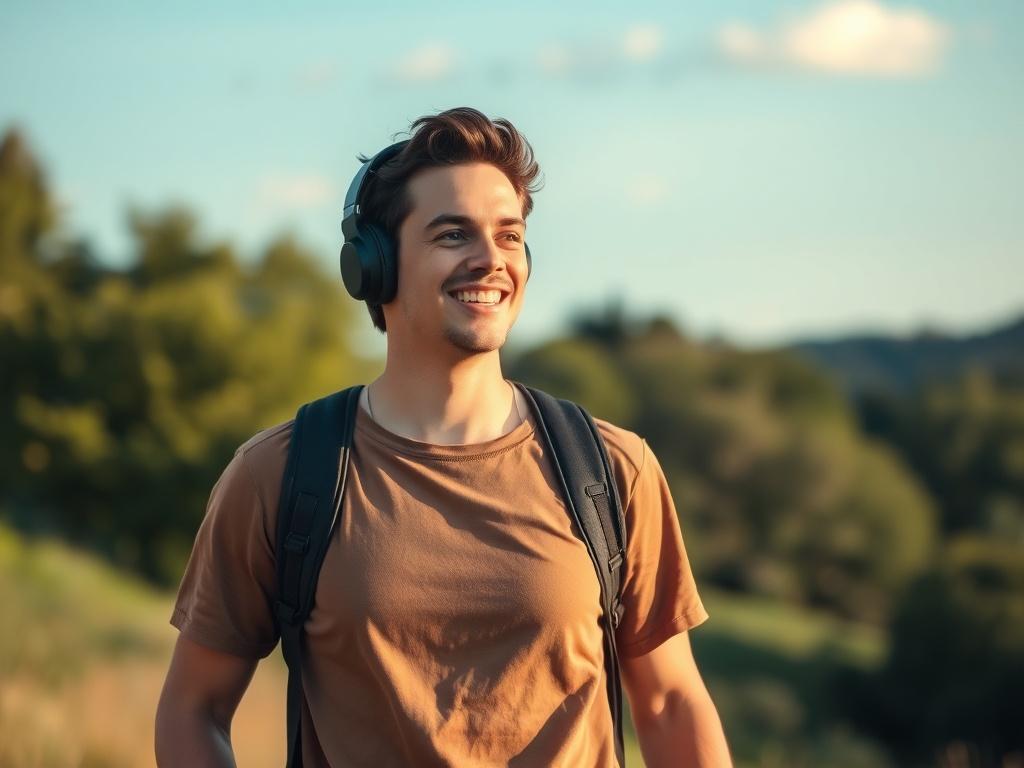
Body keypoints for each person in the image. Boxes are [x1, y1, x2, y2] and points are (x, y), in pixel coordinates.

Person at [155, 107, 731, 767]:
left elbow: (670, 704)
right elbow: (193, 710)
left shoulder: (610, 469)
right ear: (373, 264)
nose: (491, 261)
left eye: (509, 236)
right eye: (454, 234)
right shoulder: (280, 474)